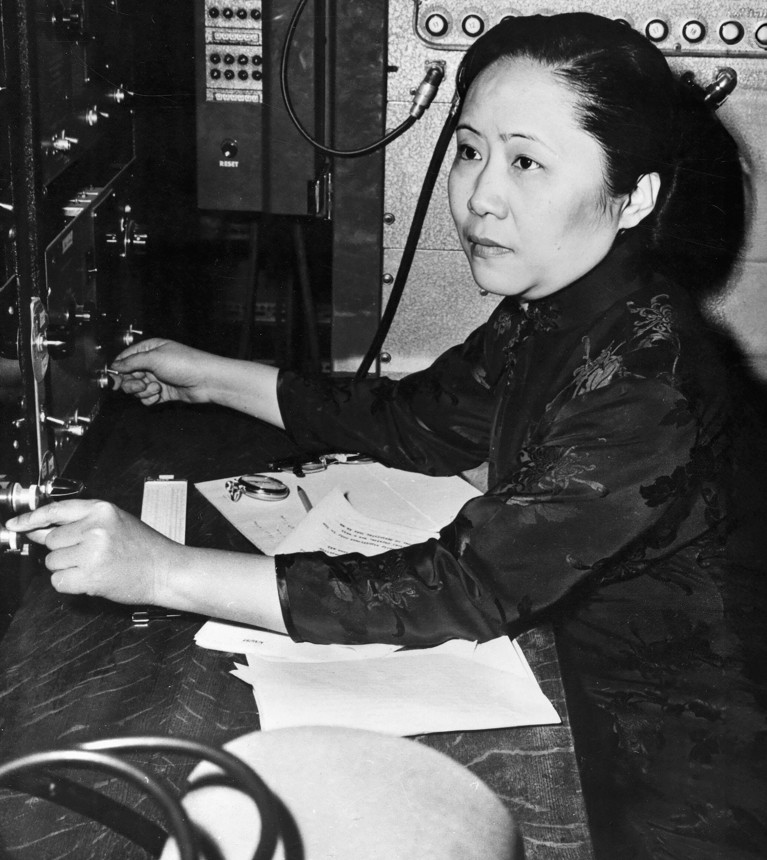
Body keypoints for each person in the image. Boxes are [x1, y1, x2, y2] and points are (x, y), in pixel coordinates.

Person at [6, 12, 766, 858]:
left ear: (634, 196)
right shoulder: (560, 309)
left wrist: (161, 569)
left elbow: (461, 588)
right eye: (469, 150)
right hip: (607, 702)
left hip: (690, 776)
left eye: (525, 161)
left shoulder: (644, 380)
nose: (479, 194)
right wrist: (211, 373)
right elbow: (420, 422)